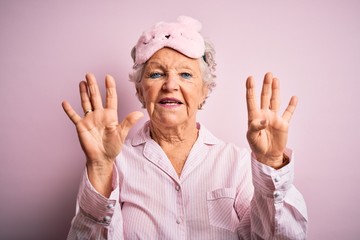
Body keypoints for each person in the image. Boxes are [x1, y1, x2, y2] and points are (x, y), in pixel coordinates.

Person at [62, 16, 308, 239]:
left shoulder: (238, 164)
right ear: (140, 90)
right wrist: (101, 167)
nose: (170, 85)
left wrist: (272, 162)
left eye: (186, 75)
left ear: (205, 91)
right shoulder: (115, 165)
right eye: (157, 74)